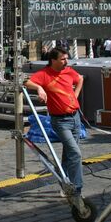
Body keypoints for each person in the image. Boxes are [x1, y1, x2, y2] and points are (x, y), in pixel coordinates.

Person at [24, 48, 89, 212]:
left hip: (75, 118)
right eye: (63, 59)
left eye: (67, 59)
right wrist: (40, 88)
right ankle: (76, 190)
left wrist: (75, 94)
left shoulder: (68, 71)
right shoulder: (45, 74)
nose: (66, 62)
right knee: (75, 153)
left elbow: (80, 79)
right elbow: (27, 82)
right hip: (60, 121)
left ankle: (64, 184)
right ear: (53, 60)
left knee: (69, 154)